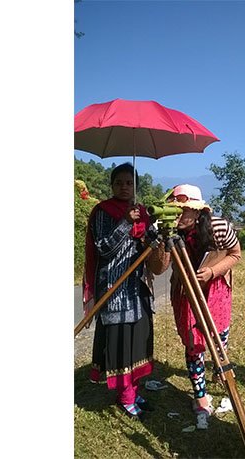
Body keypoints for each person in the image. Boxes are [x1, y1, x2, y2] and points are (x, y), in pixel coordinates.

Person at [82, 163, 167, 421]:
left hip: (137, 290)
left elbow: (150, 246)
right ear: (111, 185)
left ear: (135, 186)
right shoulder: (102, 211)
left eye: (129, 183)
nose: (124, 187)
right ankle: (125, 397)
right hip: (114, 290)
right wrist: (124, 223)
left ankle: (133, 391)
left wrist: (155, 236)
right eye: (119, 183)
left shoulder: (142, 212)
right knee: (121, 346)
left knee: (137, 343)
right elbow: (103, 248)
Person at [159, 184, 242, 429]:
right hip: (185, 289)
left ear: (197, 211)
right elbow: (159, 267)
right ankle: (200, 395)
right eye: (174, 210)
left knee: (218, 338)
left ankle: (220, 370)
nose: (178, 215)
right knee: (193, 343)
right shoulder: (169, 232)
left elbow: (235, 253)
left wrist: (213, 271)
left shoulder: (218, 227)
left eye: (183, 210)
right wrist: (161, 240)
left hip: (215, 289)